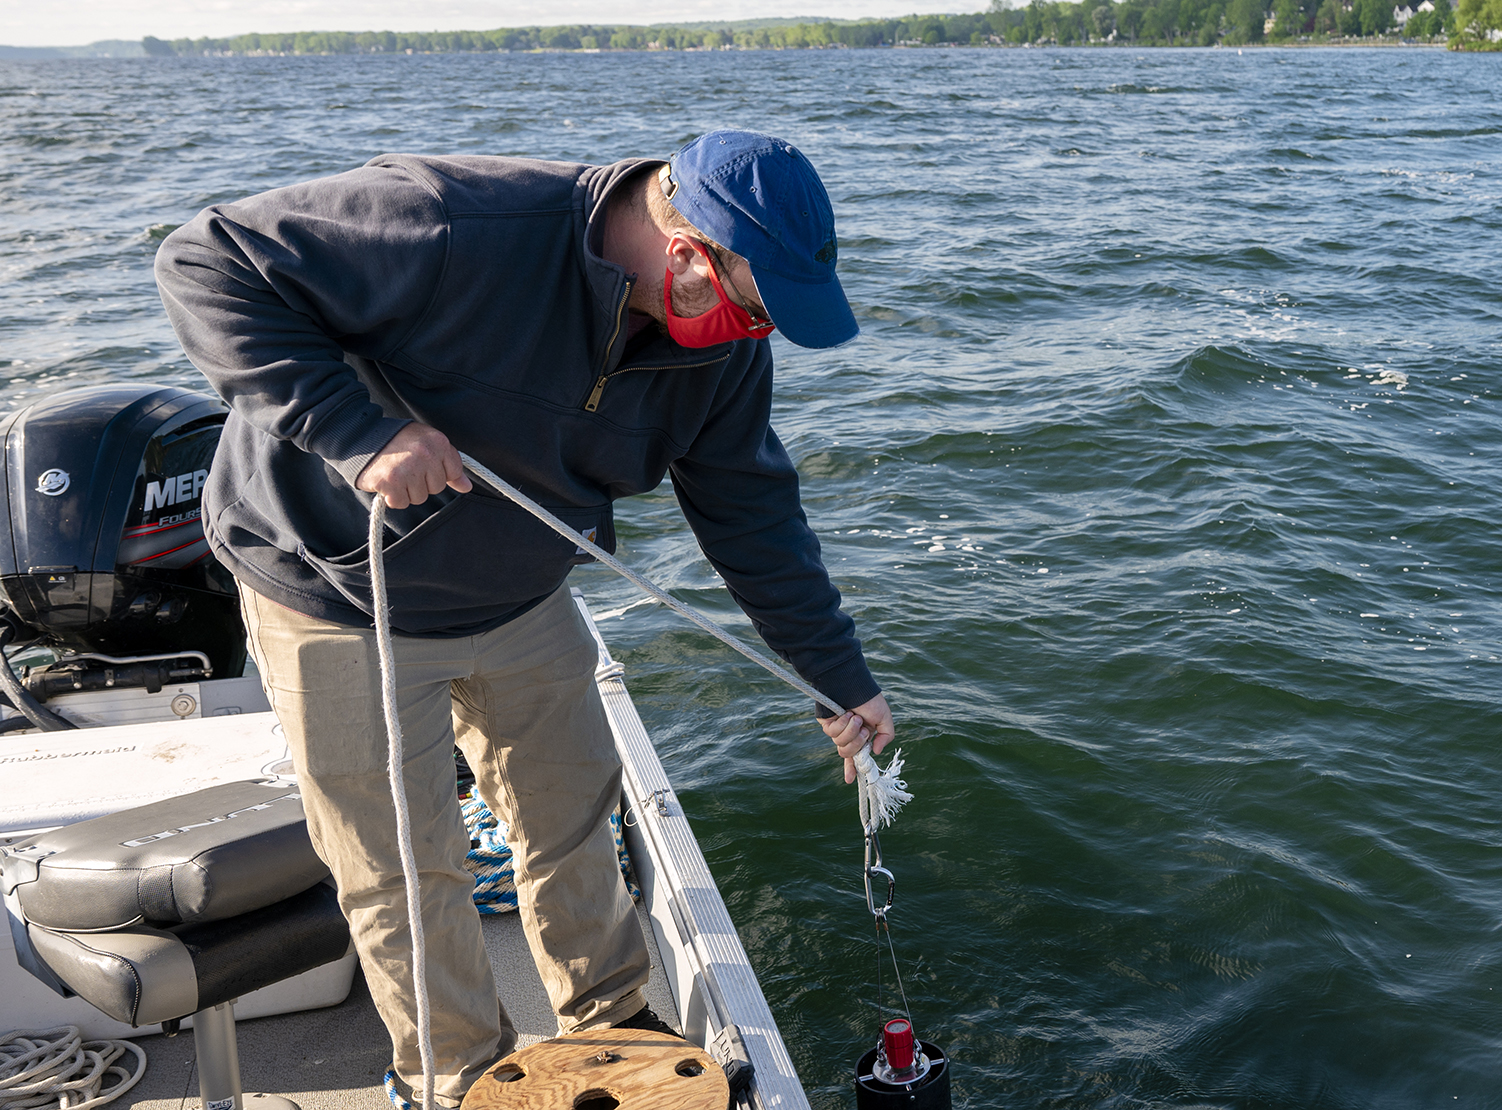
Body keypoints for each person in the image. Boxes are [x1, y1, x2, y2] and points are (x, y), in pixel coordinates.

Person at [155, 129, 895, 1108]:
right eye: (749, 312)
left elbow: (753, 518)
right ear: (685, 257)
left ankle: (614, 1035)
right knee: (402, 869)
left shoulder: (715, 356)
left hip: (522, 595)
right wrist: (357, 434)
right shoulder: (458, 220)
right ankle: (460, 1074)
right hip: (339, 598)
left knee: (575, 823)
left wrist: (833, 679)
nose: (749, 336)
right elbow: (205, 260)